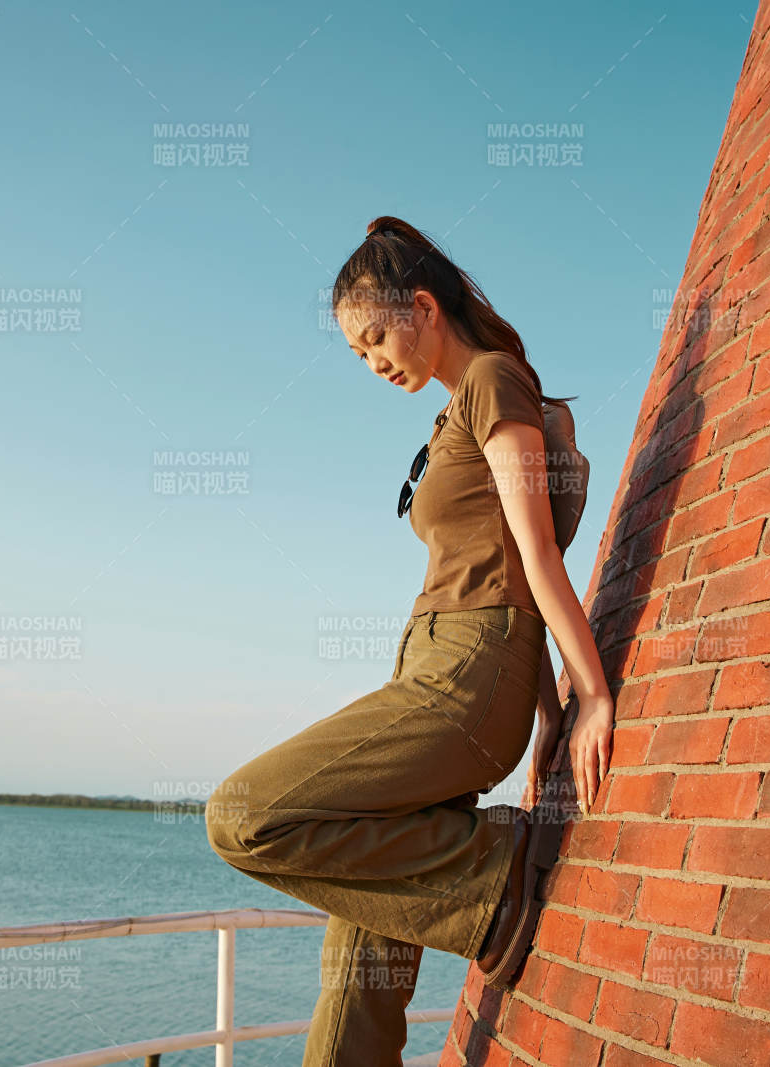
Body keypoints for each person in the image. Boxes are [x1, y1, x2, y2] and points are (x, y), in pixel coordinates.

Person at [205, 216, 616, 1067]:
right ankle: (476, 891)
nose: (374, 360)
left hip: (463, 676)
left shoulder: (495, 384)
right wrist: (546, 712)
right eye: (357, 353)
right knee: (357, 960)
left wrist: (591, 695)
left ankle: (492, 881)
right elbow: (505, 559)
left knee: (241, 816)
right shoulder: (447, 422)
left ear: (423, 306)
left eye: (376, 335)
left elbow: (535, 558)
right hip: (442, 668)